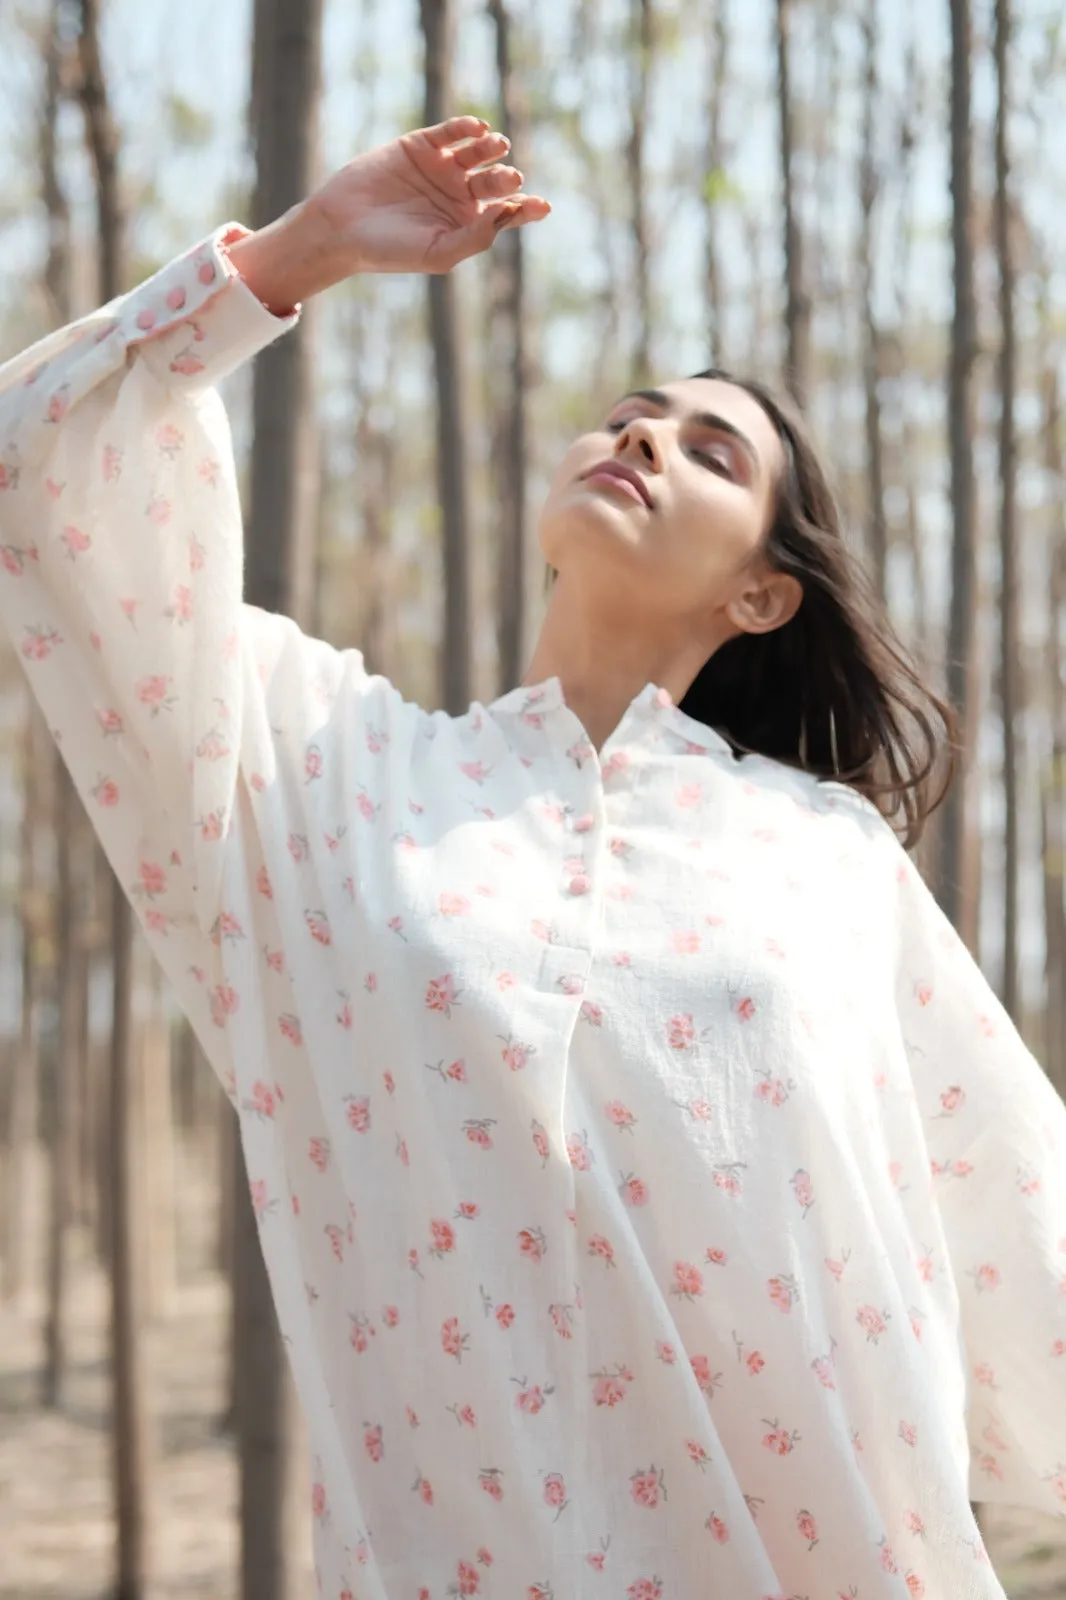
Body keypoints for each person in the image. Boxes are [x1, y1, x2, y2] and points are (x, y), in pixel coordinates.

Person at [1, 115, 1063, 1600]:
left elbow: (1016, 1214)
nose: (639, 437)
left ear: (762, 597)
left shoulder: (825, 857)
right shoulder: (327, 776)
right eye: (630, 413)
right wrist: (302, 252)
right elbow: (37, 460)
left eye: (708, 449)